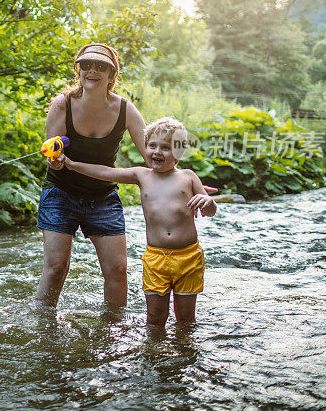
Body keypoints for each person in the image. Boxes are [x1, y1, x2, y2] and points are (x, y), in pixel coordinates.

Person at [57, 116, 217, 326]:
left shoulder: (188, 177)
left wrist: (208, 201)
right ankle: (153, 355)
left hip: (188, 257)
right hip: (155, 258)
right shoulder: (142, 176)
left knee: (186, 320)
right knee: (155, 319)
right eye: (152, 145)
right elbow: (106, 172)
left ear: (179, 152)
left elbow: (210, 211)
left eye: (166, 147)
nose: (157, 152)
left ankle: (185, 355)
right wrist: (70, 164)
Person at [34, 43, 150, 310]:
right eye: (86, 65)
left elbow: (152, 157)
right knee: (55, 268)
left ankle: (113, 329)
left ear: (112, 74)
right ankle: (42, 328)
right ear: (78, 70)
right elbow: (53, 159)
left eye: (101, 66)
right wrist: (56, 160)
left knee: (118, 271)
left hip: (103, 197)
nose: (93, 71)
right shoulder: (62, 104)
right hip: (60, 193)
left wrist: (186, 181)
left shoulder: (126, 110)